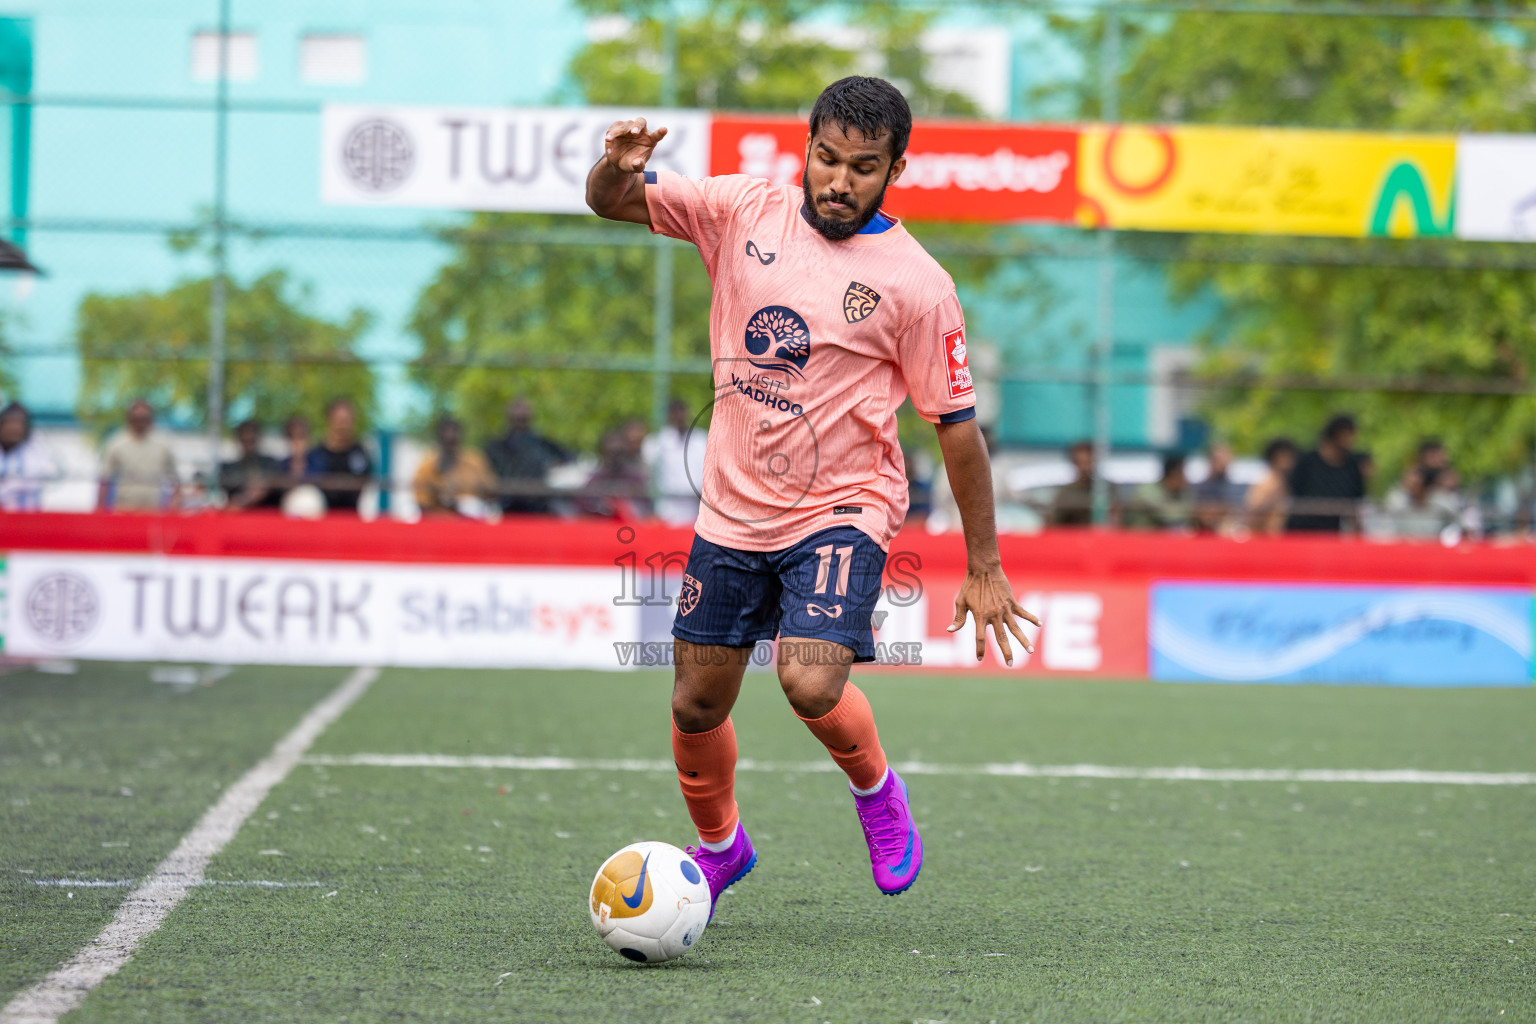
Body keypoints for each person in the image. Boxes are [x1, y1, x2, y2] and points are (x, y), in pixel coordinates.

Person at [586, 76, 1038, 913]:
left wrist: (985, 564)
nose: (838, 180)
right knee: (695, 701)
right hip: (731, 505)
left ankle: (877, 794)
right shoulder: (741, 209)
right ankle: (722, 851)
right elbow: (612, 203)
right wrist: (615, 168)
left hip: (843, 506)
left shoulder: (918, 283)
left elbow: (956, 426)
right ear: (806, 149)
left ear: (895, 169)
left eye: (862, 167)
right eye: (826, 158)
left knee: (810, 682)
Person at [483, 397, 570, 514]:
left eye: (523, 419)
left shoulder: (543, 444)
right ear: (509, 419)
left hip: (537, 505)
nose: (519, 422)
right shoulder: (496, 446)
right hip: (504, 505)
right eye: (516, 418)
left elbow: (567, 460)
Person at [1287, 414, 1366, 533]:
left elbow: (1354, 505)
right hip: (1301, 530)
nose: (1351, 439)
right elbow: (1290, 493)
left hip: (1331, 533)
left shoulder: (1352, 467)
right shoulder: (1307, 462)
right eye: (1346, 434)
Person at [98, 399, 179, 512]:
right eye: (136, 418)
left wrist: (174, 508)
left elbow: (175, 480)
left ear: (150, 419)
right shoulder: (116, 443)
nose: (140, 422)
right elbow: (104, 479)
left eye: (144, 418)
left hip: (153, 513)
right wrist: (100, 510)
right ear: (129, 419)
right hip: (123, 512)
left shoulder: (163, 444)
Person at [413, 415, 497, 517]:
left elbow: (491, 493)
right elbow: (422, 503)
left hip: (471, 523)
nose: (451, 436)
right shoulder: (427, 466)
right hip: (439, 523)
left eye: (454, 431)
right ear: (439, 436)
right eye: (446, 432)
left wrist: (463, 504)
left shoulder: (475, 462)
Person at [644, 399, 708, 527]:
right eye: (675, 412)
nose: (679, 416)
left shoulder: (701, 439)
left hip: (695, 504)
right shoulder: (656, 441)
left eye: (682, 411)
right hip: (666, 504)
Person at [305, 398, 372, 515]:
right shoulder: (315, 454)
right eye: (340, 420)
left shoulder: (360, 453)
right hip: (319, 519)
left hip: (351, 517)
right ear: (329, 421)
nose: (343, 426)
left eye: (347, 420)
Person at [0, 401, 59, 511]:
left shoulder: (36, 446)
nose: (13, 428)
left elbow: (45, 475)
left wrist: (9, 484)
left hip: (27, 516)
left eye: (17, 423)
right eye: (9, 423)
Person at [218, 418, 284, 510]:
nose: (248, 445)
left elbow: (278, 485)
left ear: (258, 438)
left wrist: (251, 496)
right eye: (245, 441)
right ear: (238, 440)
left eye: (251, 441)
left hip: (267, 514)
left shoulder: (271, 464)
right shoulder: (228, 468)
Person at [1122, 452, 1193, 530]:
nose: (1186, 479)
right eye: (1183, 473)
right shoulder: (1147, 490)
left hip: (1163, 537)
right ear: (1174, 474)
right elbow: (1167, 515)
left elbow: (1188, 513)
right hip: (1138, 536)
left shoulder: (1181, 493)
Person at [1245, 437, 1298, 536]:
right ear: (1275, 457)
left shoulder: (1285, 483)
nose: (1290, 461)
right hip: (1262, 537)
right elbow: (1252, 512)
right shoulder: (1264, 483)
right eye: (1286, 457)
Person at [1192, 441, 1244, 533]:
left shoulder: (1235, 487)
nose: (1223, 463)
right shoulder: (1201, 488)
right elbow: (1203, 516)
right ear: (1210, 460)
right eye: (1219, 459)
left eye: (1226, 458)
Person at [1048, 440, 1096, 526]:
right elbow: (1055, 523)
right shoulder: (1066, 492)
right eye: (1081, 463)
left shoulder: (1106, 489)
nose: (1084, 468)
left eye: (1088, 462)